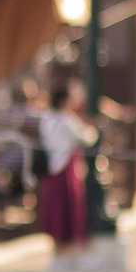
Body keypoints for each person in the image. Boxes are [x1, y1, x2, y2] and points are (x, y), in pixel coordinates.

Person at [35, 80, 91, 256]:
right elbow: (87, 137)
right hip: (65, 166)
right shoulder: (66, 120)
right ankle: (70, 243)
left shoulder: (46, 119)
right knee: (68, 204)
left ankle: (58, 244)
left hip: (51, 167)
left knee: (54, 207)